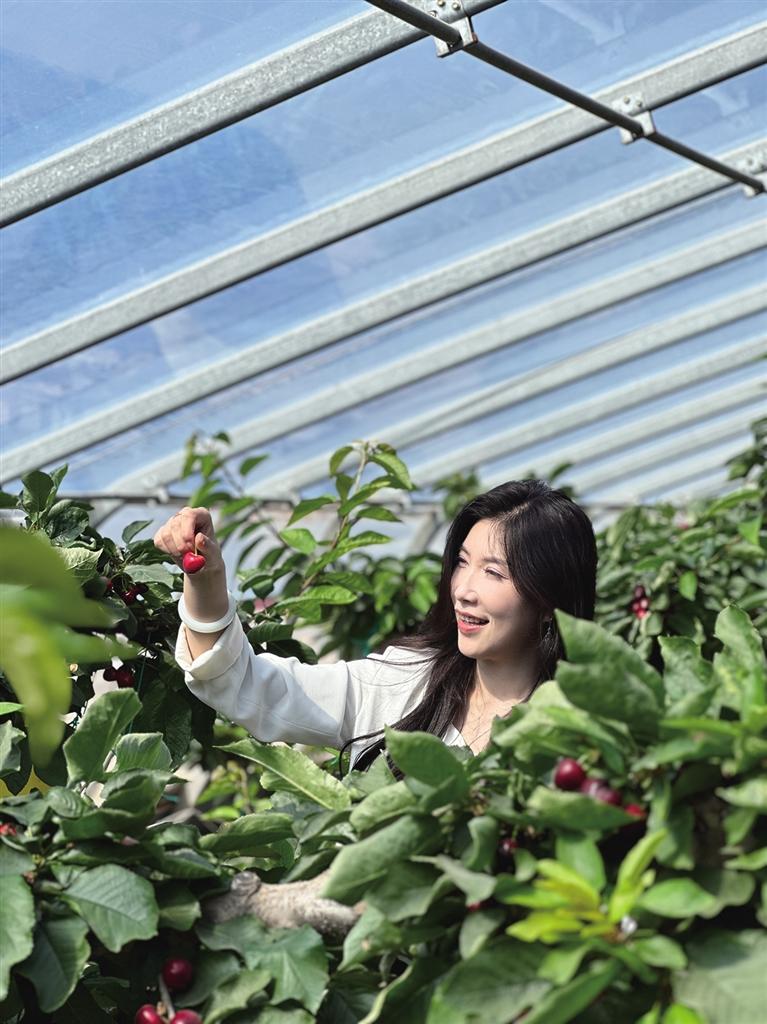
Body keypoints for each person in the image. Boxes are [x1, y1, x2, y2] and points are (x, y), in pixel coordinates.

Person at [154, 480, 598, 772]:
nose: (463, 589)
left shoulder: (584, 729)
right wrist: (206, 577)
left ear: (549, 599)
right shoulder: (403, 684)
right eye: (462, 563)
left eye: (493, 572)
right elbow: (249, 686)